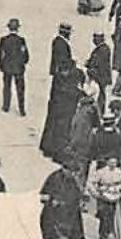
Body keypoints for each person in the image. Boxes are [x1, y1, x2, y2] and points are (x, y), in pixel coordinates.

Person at [40, 23, 82, 159]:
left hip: (57, 84)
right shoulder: (62, 45)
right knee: (58, 118)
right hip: (61, 86)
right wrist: (73, 66)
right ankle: (52, 147)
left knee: (53, 116)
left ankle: (47, 144)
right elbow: (63, 64)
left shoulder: (57, 42)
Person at [0, 18, 29, 116]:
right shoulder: (21, 40)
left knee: (7, 87)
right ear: (18, 29)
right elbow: (26, 55)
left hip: (7, 67)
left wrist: (1, 65)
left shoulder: (3, 40)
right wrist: (23, 63)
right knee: (20, 89)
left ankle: (6, 106)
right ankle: (21, 109)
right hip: (18, 68)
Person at [85, 32, 112, 117]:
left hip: (100, 76)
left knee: (99, 95)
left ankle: (98, 113)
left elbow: (98, 63)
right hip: (101, 76)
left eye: (95, 38)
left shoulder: (102, 49)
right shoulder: (102, 48)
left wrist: (90, 66)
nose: (93, 40)